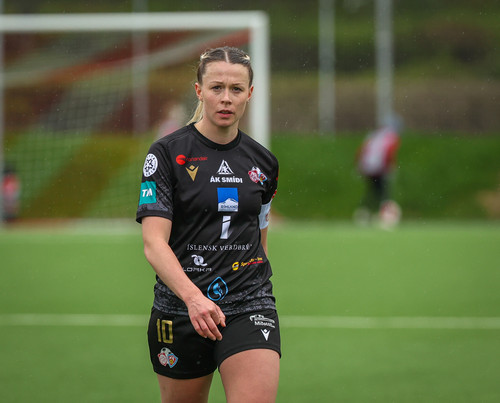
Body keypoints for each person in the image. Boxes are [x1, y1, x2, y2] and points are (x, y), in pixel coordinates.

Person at [136, 46, 280, 403]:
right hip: (181, 308)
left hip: (248, 303)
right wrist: (193, 299)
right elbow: (154, 243)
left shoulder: (263, 162)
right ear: (199, 91)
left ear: (250, 93)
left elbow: (260, 238)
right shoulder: (166, 154)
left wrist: (255, 286)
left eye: (236, 89)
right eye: (217, 88)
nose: (226, 98)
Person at [354, 118, 402, 228]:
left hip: (368, 168)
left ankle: (363, 214)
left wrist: (359, 166)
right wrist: (391, 166)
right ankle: (386, 217)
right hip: (379, 168)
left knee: (374, 191)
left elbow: (361, 150)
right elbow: (389, 152)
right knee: (384, 192)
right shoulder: (391, 137)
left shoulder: (374, 135)